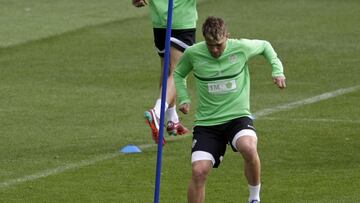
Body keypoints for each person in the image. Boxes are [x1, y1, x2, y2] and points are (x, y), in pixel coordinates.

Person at [174, 16, 286, 203]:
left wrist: (277, 70)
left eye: (219, 44)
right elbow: (178, 73)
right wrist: (184, 98)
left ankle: (254, 198)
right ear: (204, 40)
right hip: (207, 123)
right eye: (211, 46)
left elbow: (266, 46)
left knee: (248, 147)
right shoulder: (194, 53)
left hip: (237, 117)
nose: (215, 50)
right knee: (199, 171)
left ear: (227, 36)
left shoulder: (241, 47)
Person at [132, 0, 198, 144]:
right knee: (178, 72)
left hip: (160, 21)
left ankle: (172, 119)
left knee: (167, 69)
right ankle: (157, 112)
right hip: (182, 20)